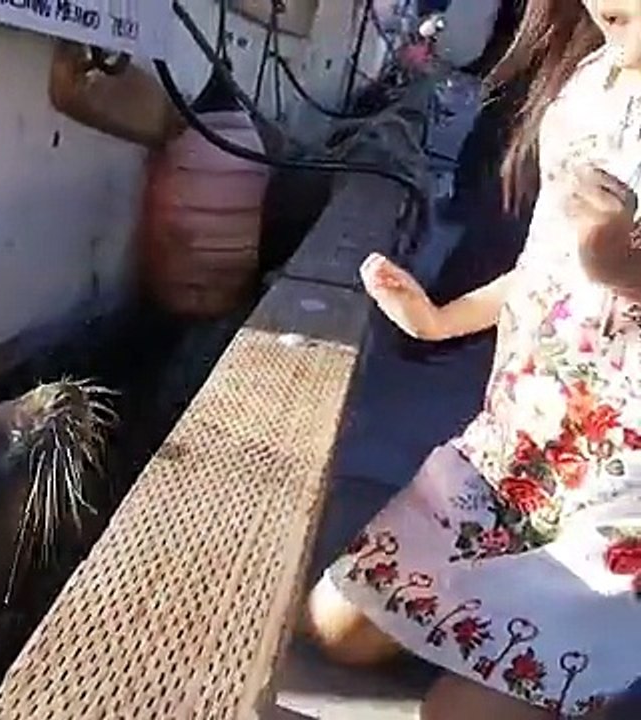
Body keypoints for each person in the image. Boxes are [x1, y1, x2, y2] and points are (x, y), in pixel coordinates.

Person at [302, 1, 641, 718]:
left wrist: (626, 270)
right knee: (336, 628)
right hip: (516, 451)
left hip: (623, 500)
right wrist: (440, 320)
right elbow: (549, 262)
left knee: (456, 715)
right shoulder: (593, 78)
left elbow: (603, 267)